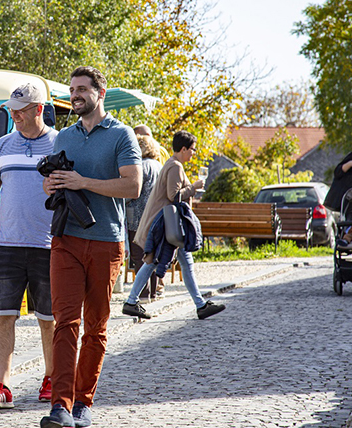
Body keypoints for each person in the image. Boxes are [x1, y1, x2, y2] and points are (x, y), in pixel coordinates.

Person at [40, 66, 142, 428]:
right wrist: (51, 186)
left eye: (82, 89)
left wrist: (84, 181)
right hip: (65, 238)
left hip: (106, 242)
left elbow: (133, 187)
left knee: (95, 327)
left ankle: (83, 403)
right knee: (64, 322)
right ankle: (60, 407)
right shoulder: (63, 137)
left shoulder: (121, 135)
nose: (75, 94)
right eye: (72, 89)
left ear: (101, 92)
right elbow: (52, 184)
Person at [0, 83, 57, 410]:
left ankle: (52, 378)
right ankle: (3, 387)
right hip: (7, 245)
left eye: (21, 110)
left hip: (50, 245)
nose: (14, 115)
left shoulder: (59, 143)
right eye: (11, 109)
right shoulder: (2, 145)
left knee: (48, 319)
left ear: (39, 109)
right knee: (3, 316)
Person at [121, 131, 226, 322]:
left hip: (168, 224)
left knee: (183, 263)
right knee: (153, 261)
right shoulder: (175, 166)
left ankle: (200, 304)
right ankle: (131, 301)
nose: (194, 153)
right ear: (183, 149)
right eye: (193, 149)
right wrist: (194, 187)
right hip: (165, 224)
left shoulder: (172, 164)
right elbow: (173, 195)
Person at [125, 134, 163, 300]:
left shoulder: (141, 166)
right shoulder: (158, 165)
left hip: (138, 218)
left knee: (139, 256)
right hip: (157, 217)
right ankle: (153, 292)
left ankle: (143, 293)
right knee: (152, 256)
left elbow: (133, 191)